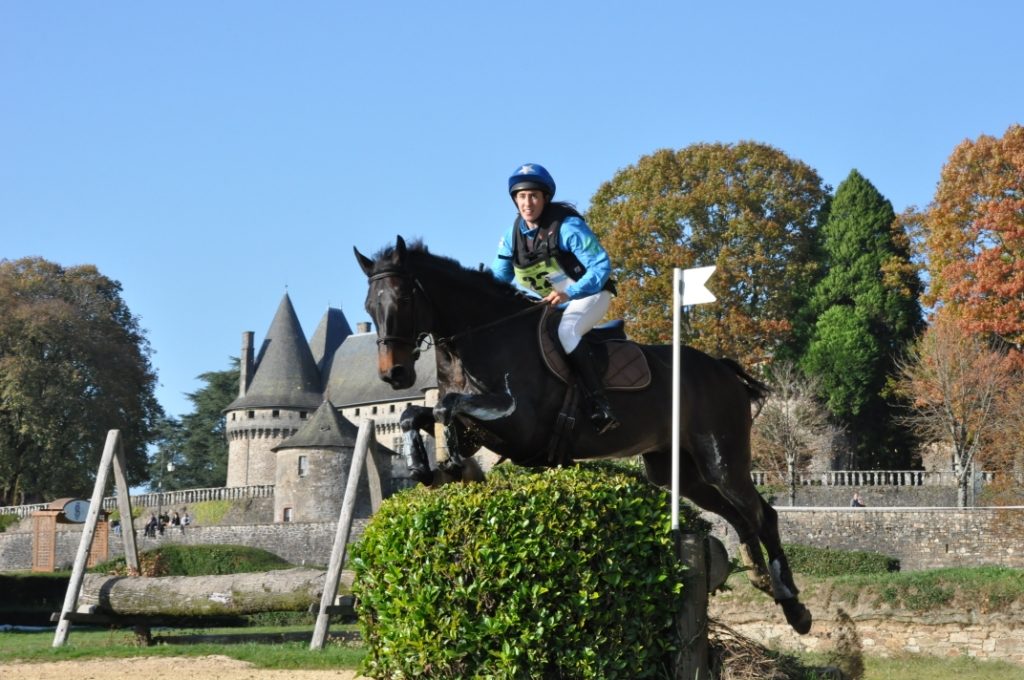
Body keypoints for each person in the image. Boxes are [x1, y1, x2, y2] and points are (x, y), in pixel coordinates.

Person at [492, 163, 619, 434]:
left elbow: (601, 265)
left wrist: (569, 293)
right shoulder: (509, 238)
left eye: (534, 196)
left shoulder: (567, 227)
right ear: (515, 199)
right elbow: (497, 281)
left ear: (545, 198)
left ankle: (600, 403)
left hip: (591, 294)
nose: (528, 203)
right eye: (522, 196)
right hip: (553, 302)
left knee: (567, 331)